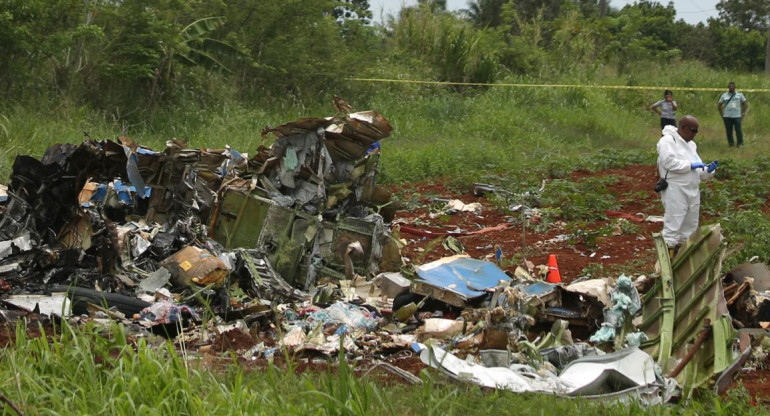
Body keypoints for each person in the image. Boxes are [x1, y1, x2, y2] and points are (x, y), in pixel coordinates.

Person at [656, 115, 718, 257]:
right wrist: (690, 165)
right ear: (682, 128)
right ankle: (667, 262)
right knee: (674, 224)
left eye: (697, 131)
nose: (695, 134)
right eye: (693, 130)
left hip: (692, 190)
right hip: (676, 189)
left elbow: (698, 168)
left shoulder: (691, 145)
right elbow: (669, 162)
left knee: (690, 227)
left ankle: (683, 260)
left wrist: (708, 170)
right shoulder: (667, 141)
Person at [717, 82, 748, 147]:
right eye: (730, 86)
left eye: (732, 86)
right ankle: (731, 144)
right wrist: (722, 114)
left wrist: (743, 113)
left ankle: (740, 144)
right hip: (727, 116)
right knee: (729, 131)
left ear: (735, 87)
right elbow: (719, 105)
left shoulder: (739, 95)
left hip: (737, 116)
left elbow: (745, 103)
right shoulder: (724, 95)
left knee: (738, 130)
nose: (731, 88)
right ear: (728, 87)